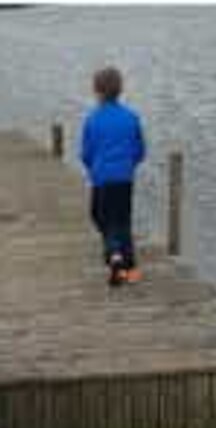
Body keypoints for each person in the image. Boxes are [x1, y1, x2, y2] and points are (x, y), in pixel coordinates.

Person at [79, 66, 147, 286]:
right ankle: (131, 272)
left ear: (96, 91)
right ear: (120, 90)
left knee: (101, 217)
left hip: (102, 180)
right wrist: (128, 165)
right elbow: (140, 151)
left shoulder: (92, 119)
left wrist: (94, 169)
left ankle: (115, 256)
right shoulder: (131, 117)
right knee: (123, 222)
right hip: (125, 179)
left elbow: (86, 154)